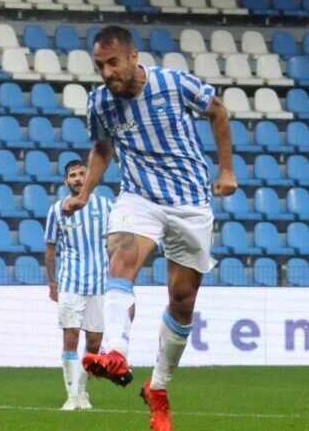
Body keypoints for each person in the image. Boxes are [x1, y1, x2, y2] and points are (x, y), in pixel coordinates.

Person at [62, 25, 237, 431]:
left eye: (113, 62)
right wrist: (86, 193)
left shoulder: (173, 82)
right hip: (138, 197)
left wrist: (226, 168)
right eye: (100, 65)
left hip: (191, 202)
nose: (106, 72)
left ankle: (157, 387)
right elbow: (102, 148)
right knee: (121, 255)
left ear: (133, 57)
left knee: (182, 299)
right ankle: (114, 351)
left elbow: (218, 110)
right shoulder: (100, 103)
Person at [44, 160, 112, 411]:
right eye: (72, 175)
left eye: (82, 174)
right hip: (71, 283)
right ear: (66, 181)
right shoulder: (57, 210)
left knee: (94, 343)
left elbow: (115, 242)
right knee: (70, 337)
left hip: (100, 283)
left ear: (90, 177)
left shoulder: (106, 206)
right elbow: (50, 249)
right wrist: (52, 282)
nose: (78, 178)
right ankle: (72, 396)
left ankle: (81, 391)